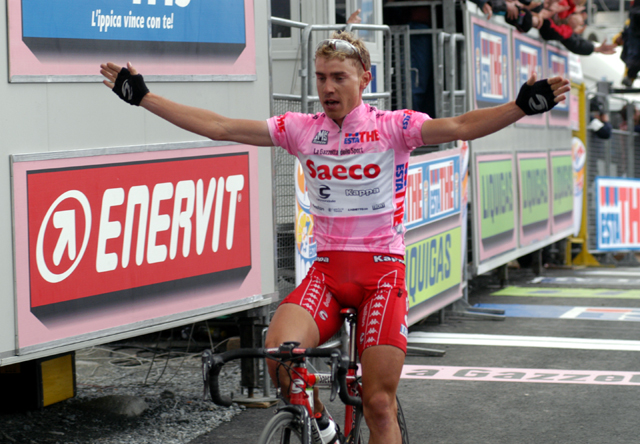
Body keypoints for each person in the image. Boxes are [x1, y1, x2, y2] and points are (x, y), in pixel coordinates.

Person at [100, 31, 569, 444]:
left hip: (382, 277)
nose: (327, 87)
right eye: (321, 77)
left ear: (364, 79)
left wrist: (519, 107)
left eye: (338, 77)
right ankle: (321, 426)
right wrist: (145, 97)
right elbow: (221, 127)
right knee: (280, 361)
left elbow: (461, 127)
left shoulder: (393, 128)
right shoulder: (301, 130)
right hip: (326, 274)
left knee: (378, 403)